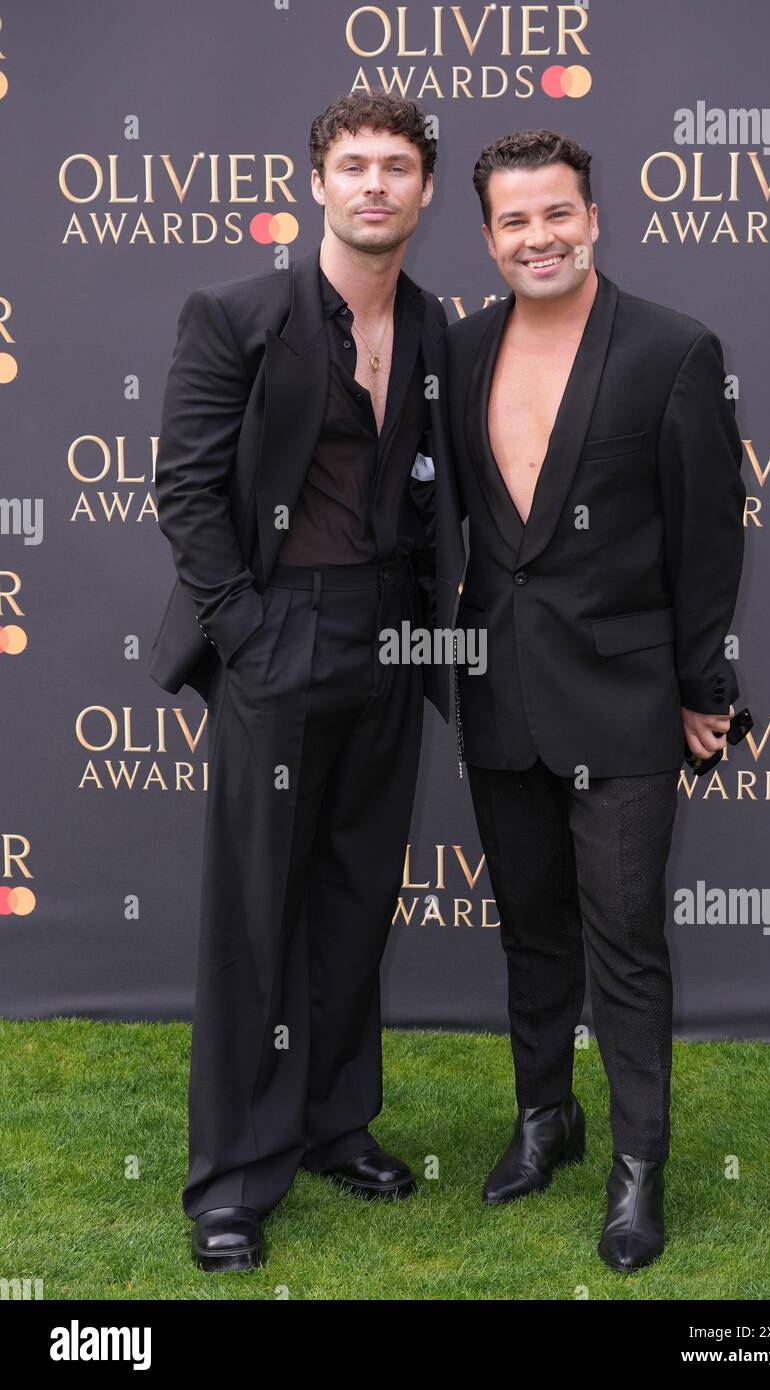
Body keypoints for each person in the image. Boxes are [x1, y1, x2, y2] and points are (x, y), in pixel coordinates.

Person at [149, 90, 464, 1271]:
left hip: (391, 643)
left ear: (424, 191)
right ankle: (231, 1179)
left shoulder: (435, 324)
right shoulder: (235, 314)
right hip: (278, 638)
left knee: (352, 896)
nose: (374, 183)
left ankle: (334, 1121)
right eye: (353, 164)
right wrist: (246, 631)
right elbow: (185, 489)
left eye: (396, 166)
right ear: (317, 183)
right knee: (253, 913)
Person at [445, 129, 746, 1270]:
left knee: (622, 938)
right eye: (515, 221)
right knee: (530, 932)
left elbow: (707, 542)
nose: (539, 236)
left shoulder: (670, 349)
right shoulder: (461, 350)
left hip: (621, 700)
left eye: (557, 213)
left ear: (593, 217)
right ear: (486, 237)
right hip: (496, 693)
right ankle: (543, 1121)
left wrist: (699, 687)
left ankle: (636, 1168)